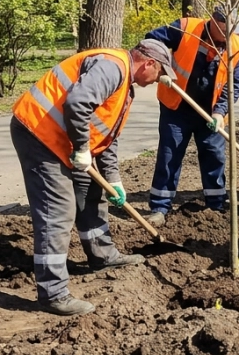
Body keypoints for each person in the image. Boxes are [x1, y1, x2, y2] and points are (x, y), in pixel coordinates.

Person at [10, 39, 173, 315]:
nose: (156, 81)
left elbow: (106, 135)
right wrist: (83, 150)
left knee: (90, 192)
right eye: (158, 75)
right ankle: (53, 293)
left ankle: (102, 255)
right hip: (39, 135)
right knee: (57, 211)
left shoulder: (124, 85)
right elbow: (76, 103)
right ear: (149, 63)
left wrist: (113, 178)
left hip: (62, 140)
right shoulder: (112, 69)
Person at [146, 8, 239, 224]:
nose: (227, 35)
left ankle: (216, 205)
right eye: (223, 30)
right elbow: (151, 41)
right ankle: (160, 207)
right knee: (169, 154)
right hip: (176, 107)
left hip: (211, 114)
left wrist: (220, 113)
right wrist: (161, 68)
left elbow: (235, 84)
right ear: (213, 22)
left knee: (214, 155)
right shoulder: (186, 28)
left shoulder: (237, 46)